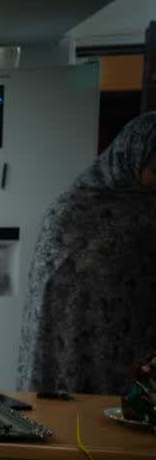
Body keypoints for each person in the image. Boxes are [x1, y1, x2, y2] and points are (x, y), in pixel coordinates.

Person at [19, 112, 156, 395]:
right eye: (155, 169)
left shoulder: (148, 209)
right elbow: (55, 292)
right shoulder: (75, 209)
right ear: (132, 155)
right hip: (70, 347)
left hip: (133, 346)